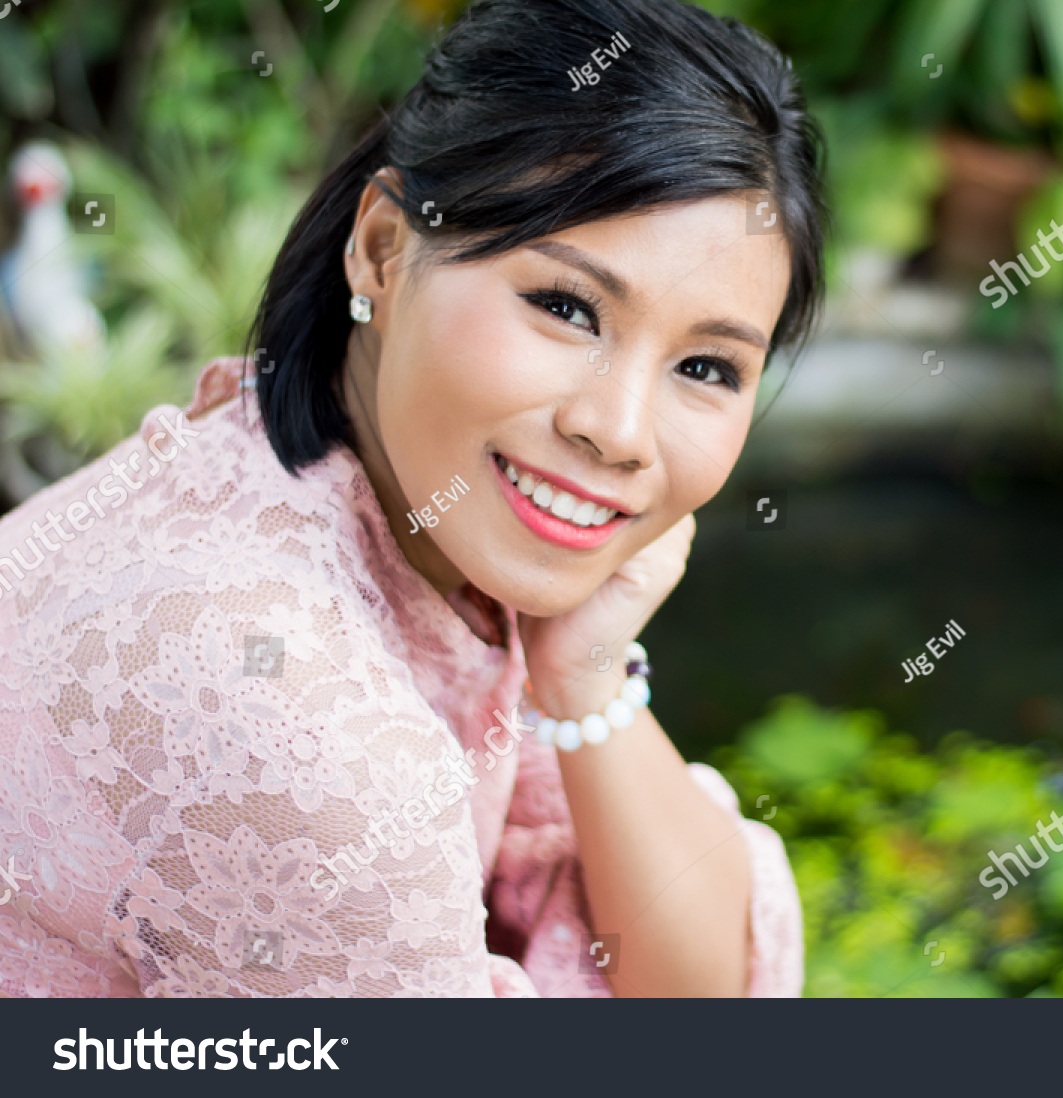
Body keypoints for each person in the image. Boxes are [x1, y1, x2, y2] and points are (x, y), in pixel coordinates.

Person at [0, 0, 825, 998]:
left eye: (705, 366)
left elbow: (695, 995)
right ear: (384, 249)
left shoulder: (349, 490)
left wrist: (586, 675)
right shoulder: (287, 710)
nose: (618, 429)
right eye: (565, 307)